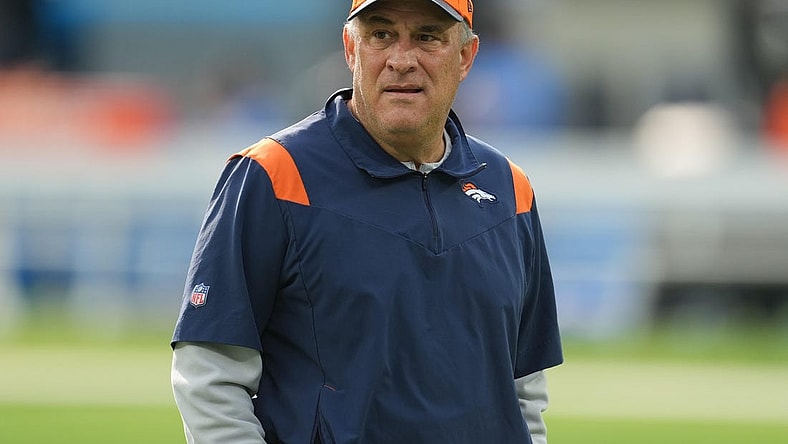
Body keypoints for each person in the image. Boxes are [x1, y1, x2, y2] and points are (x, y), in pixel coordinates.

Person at [171, 1, 563, 443]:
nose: (401, 59)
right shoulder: (274, 175)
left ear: (466, 56)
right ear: (350, 49)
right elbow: (210, 377)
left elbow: (524, 392)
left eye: (427, 37)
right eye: (381, 35)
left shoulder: (510, 191)